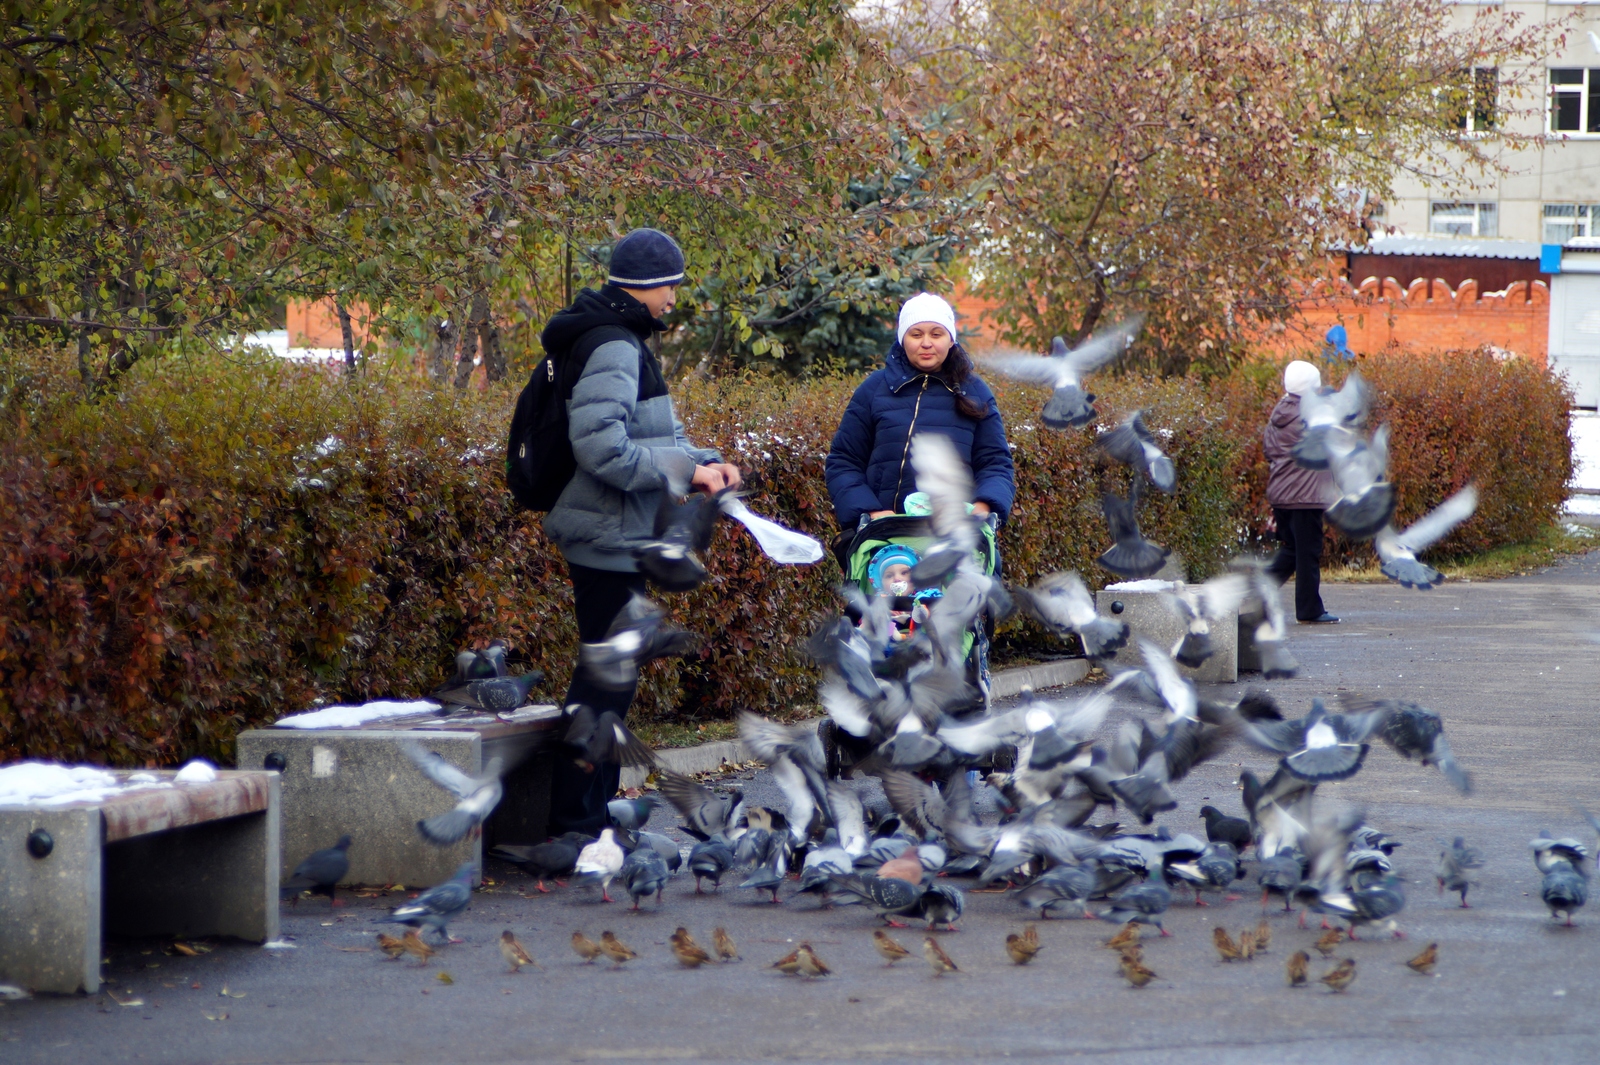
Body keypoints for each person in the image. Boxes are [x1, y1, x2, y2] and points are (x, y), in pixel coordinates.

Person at [539, 228, 742, 834]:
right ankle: (573, 824)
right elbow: (602, 447)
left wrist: (701, 461)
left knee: (611, 682)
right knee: (603, 687)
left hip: (618, 532)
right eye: (672, 288)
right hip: (607, 536)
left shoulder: (620, 336)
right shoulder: (615, 345)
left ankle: (590, 817)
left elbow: (650, 438)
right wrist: (685, 471)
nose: (674, 300)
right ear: (651, 286)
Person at [824, 293, 1016, 529]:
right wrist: (870, 512)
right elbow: (844, 461)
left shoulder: (976, 392)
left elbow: (995, 463)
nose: (926, 343)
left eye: (936, 334)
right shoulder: (874, 389)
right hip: (882, 538)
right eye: (916, 334)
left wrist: (984, 508)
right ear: (903, 339)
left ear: (950, 340)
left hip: (956, 540)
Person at [1263, 360, 1338, 624]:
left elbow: (1268, 450)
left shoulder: (1279, 413)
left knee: (1292, 550)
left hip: (1281, 493)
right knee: (1307, 552)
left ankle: (1257, 595)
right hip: (1306, 496)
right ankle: (1309, 609)